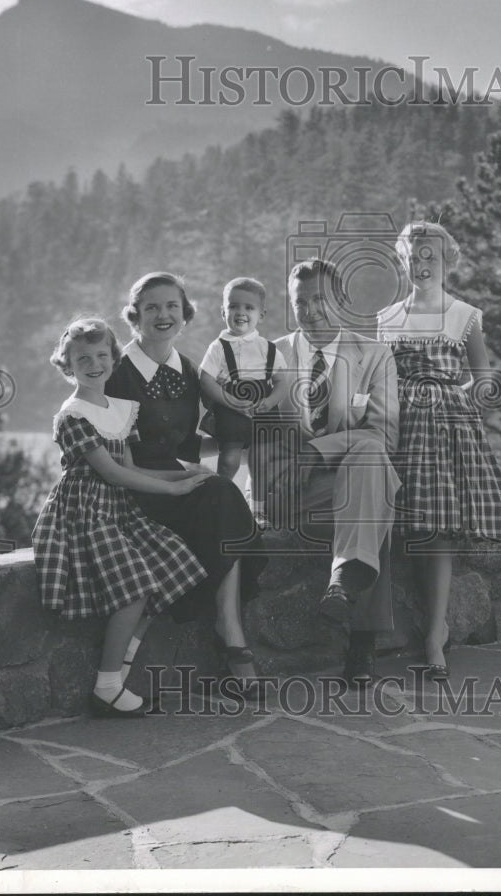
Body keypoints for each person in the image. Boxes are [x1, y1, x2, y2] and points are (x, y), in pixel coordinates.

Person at [32, 316, 210, 718]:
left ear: (113, 357)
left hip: (118, 509)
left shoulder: (120, 410)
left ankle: (124, 662)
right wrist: (175, 488)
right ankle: (107, 685)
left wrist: (188, 472)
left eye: (101, 355)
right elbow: (112, 473)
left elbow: (135, 469)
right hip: (84, 514)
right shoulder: (73, 415)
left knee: (173, 564)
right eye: (82, 358)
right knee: (134, 587)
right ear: (67, 365)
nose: (94, 364)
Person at [105, 272, 267, 695]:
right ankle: (229, 628)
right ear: (135, 316)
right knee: (221, 494)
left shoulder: (189, 371)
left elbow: (188, 444)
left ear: (186, 314)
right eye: (153, 307)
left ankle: (227, 623)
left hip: (182, 485)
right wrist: (185, 477)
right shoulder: (119, 374)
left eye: (172, 307)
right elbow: (121, 461)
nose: (163, 315)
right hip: (139, 489)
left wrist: (241, 437)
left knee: (220, 495)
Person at [378, 222, 501, 679]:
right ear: (403, 259)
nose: (422, 263)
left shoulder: (464, 315)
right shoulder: (387, 319)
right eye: (414, 255)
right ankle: (376, 633)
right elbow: (377, 380)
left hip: (444, 431)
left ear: (447, 258)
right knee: (400, 528)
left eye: (431, 255)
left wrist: (453, 398)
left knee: (435, 532)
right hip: (397, 429)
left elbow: (483, 379)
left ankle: (434, 634)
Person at [267, 259, 400, 686]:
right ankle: (362, 642)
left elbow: (384, 435)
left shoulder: (375, 355)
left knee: (371, 468)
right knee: (373, 481)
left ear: (342, 299)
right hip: (287, 488)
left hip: (343, 486)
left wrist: (314, 454)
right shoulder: (273, 355)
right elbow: (255, 429)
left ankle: (344, 584)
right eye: (300, 302)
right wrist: (302, 458)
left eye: (319, 299)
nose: (310, 311)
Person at [198, 276, 290, 531]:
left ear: (261, 315)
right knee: (229, 459)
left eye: (249, 308)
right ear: (223, 312)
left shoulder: (268, 349)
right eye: (233, 306)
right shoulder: (218, 347)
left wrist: (270, 401)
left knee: (261, 461)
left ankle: (257, 510)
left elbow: (282, 381)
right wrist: (229, 400)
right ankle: (219, 504)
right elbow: (205, 381)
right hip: (231, 407)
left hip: (262, 406)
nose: (241, 312)